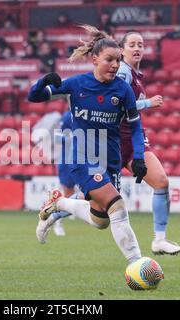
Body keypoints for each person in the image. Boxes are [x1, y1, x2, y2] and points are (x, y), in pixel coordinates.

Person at [28, 25, 148, 272]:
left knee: (100, 220)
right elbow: (34, 97)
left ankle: (59, 204)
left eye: (117, 60)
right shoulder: (76, 84)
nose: (115, 65)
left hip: (110, 159)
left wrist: (138, 158)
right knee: (117, 206)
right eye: (109, 60)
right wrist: (43, 82)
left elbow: (136, 127)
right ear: (95, 59)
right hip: (82, 158)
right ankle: (138, 265)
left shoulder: (123, 90)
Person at [118, 32, 180, 255]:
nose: (137, 48)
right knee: (96, 204)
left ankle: (159, 241)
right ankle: (58, 207)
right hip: (114, 141)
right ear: (121, 50)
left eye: (141, 45)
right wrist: (148, 102)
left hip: (133, 139)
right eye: (132, 44)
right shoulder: (122, 72)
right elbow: (117, 105)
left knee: (161, 182)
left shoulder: (136, 74)